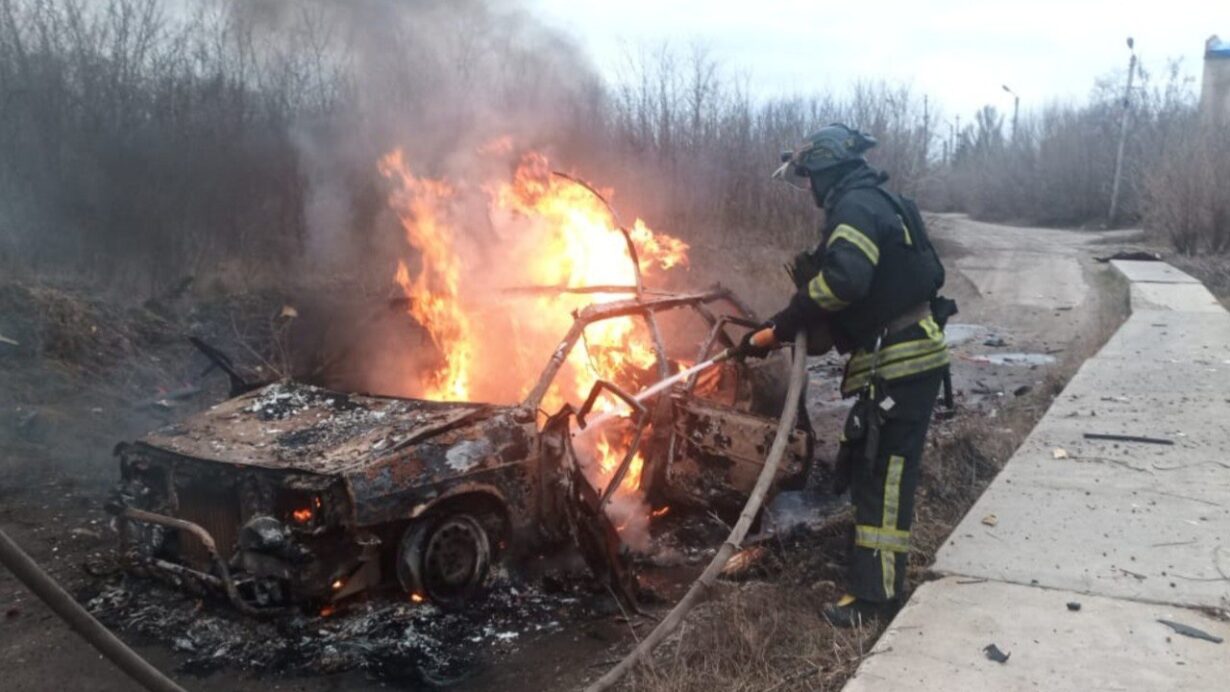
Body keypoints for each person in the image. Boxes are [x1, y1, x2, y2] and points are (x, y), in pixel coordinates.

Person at [738, 124, 954, 627]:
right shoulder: (880, 201)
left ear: (827, 170)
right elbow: (898, 282)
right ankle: (875, 580)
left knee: (884, 478)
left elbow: (846, 281)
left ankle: (874, 600)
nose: (809, 187)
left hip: (900, 363)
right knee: (874, 471)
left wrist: (786, 322)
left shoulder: (854, 208)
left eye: (810, 177)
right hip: (909, 357)